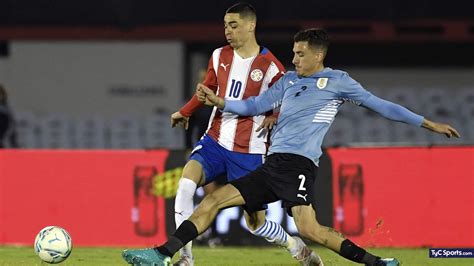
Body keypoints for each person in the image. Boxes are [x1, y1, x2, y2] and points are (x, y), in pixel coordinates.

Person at [123, 28, 461, 265]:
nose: (294, 58)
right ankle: (162, 254)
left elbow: (383, 106)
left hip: (300, 165)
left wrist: (428, 124)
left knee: (309, 228)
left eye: (300, 53)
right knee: (212, 200)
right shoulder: (287, 81)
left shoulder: (338, 82)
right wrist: (220, 101)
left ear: (317, 54)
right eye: (293, 52)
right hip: (271, 165)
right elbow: (253, 106)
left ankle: (377, 263)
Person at [167, 3, 321, 266]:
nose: (228, 31)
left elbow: (291, 102)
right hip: (215, 140)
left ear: (251, 26)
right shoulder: (218, 56)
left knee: (256, 223)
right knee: (185, 184)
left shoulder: (271, 66)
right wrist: (186, 111)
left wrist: (275, 116)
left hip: (250, 153)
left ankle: (295, 246)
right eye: (225, 25)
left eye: (234, 25)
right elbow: (208, 89)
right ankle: (185, 258)